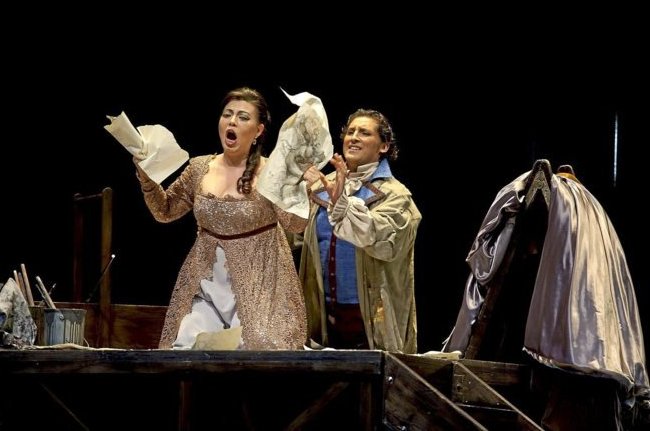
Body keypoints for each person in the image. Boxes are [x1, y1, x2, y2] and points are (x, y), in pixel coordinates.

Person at [133, 87, 308, 350]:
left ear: (258, 131)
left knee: (257, 348)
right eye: (227, 114)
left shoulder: (272, 172)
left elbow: (295, 224)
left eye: (243, 117)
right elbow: (165, 211)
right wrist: (147, 178)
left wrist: (301, 189)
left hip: (260, 285)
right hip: (207, 282)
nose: (232, 121)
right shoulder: (199, 168)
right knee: (187, 345)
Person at [299, 109, 421, 353]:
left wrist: (342, 204)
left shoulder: (396, 196)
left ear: (384, 146)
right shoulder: (321, 187)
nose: (353, 137)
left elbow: (379, 239)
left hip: (372, 321)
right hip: (323, 316)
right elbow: (295, 238)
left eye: (364, 133)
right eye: (350, 132)